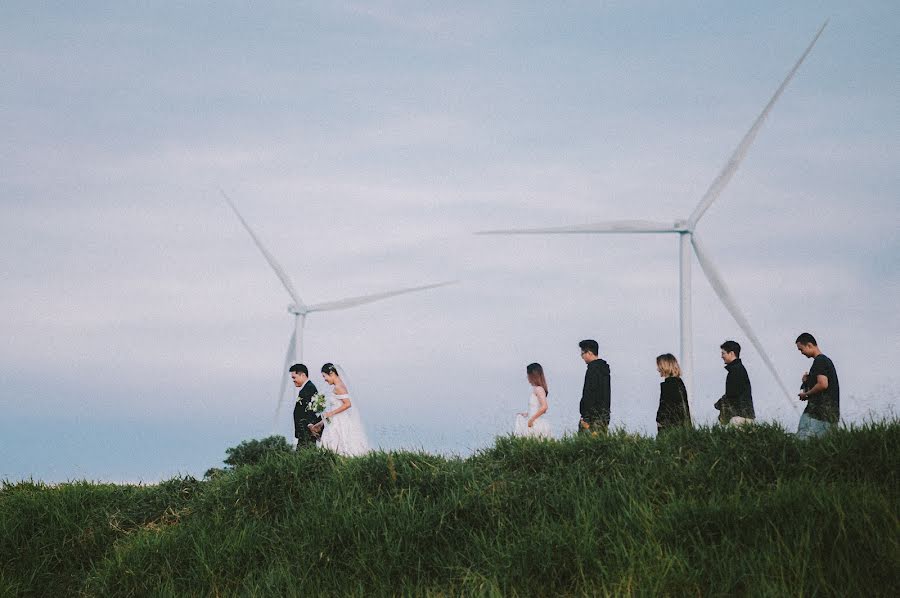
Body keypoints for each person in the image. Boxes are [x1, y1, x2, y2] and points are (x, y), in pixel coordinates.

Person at [310, 363, 369, 456]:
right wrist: (321, 423)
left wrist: (330, 413)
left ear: (331, 373)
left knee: (338, 445)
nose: (325, 379)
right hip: (335, 420)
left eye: (324, 376)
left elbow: (348, 404)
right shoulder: (338, 386)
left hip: (339, 421)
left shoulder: (339, 387)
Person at [795, 332, 840, 439]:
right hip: (830, 416)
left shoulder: (820, 361)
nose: (801, 353)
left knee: (802, 443)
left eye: (801, 349)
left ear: (809, 345)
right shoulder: (826, 361)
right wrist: (807, 381)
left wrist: (806, 394)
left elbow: (823, 384)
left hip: (816, 415)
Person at [714, 340, 756, 425]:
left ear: (732, 353)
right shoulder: (737, 369)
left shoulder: (736, 370)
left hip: (739, 418)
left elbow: (732, 394)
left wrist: (719, 404)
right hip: (743, 416)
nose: (721, 356)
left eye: (723, 353)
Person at [578, 339, 611, 435]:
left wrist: (585, 416)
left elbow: (589, 394)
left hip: (590, 419)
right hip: (603, 416)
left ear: (589, 353)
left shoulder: (592, 370)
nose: (582, 357)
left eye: (582, 354)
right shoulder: (604, 370)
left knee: (584, 447)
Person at [655, 353, 692, 433]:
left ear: (666, 366)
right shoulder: (678, 383)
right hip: (679, 428)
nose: (658, 369)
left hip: (670, 429)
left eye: (659, 366)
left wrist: (661, 420)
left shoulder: (670, 385)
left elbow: (668, 407)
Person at [514, 363, 552, 438]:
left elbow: (544, 407)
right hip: (533, 420)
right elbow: (537, 408)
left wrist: (532, 419)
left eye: (528, 375)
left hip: (535, 423)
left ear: (532, 375)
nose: (527, 377)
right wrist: (527, 414)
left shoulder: (539, 389)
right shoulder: (536, 389)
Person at [290, 364, 321, 450]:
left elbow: (311, 410)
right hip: (304, 432)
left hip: (306, 432)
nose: (293, 380)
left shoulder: (309, 388)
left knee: (303, 459)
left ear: (302, 375)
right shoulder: (307, 388)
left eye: (294, 377)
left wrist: (310, 425)